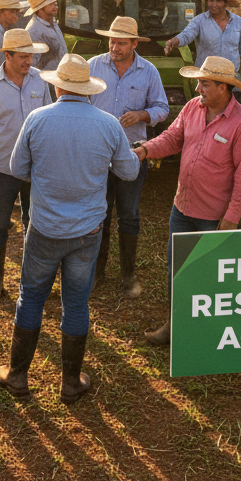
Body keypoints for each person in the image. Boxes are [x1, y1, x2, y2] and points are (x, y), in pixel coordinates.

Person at [0, 54, 140, 403]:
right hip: (87, 232)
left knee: (31, 297)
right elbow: (130, 172)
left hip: (45, 227)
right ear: (88, 89)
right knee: (76, 303)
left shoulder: (37, 119)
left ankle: (17, 375)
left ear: (57, 85)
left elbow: (18, 167)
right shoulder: (108, 124)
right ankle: (71, 382)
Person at [136, 57, 241, 346]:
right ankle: (175, 325)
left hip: (214, 216)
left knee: (213, 279)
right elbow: (172, 139)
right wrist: (144, 150)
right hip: (183, 207)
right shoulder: (192, 108)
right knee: (177, 270)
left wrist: (231, 218)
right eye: (198, 81)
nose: (198, 87)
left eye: (204, 83)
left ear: (223, 87)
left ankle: (211, 337)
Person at [87, 16, 169, 297]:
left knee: (129, 215)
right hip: (96, 154)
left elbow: (162, 108)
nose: (115, 47)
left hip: (132, 153)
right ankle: (96, 274)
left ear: (135, 44)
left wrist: (142, 114)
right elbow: (80, 101)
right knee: (99, 214)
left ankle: (128, 277)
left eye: (121, 43)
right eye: (112, 41)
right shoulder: (93, 66)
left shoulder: (149, 72)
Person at [0, 29, 52, 301]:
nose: (29, 62)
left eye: (30, 56)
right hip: (2, 168)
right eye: (22, 57)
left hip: (35, 167)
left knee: (35, 222)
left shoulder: (40, 81)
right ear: (6, 56)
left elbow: (49, 117)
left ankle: (33, 279)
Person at [164, 0, 241, 97]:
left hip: (231, 81)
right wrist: (172, 42)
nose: (213, 5)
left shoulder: (238, 23)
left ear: (225, 3)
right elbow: (186, 35)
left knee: (232, 112)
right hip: (206, 81)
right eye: (211, 1)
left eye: (218, 1)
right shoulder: (199, 21)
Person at [25, 0, 67, 74]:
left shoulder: (53, 22)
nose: (55, 7)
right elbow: (31, 64)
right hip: (45, 81)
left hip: (59, 77)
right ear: (40, 10)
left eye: (55, 3)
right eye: (51, 4)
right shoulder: (34, 30)